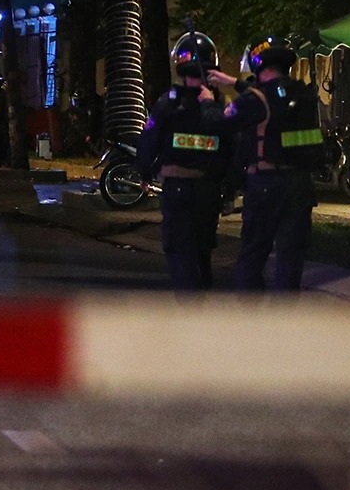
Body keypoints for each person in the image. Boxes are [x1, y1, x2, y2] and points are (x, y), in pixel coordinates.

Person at [209, 38, 323, 294]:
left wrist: (208, 101)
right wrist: (234, 83)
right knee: (291, 257)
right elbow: (271, 98)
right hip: (300, 186)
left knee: (253, 253)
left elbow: (221, 122)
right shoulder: (303, 94)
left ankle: (252, 312)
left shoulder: (256, 99)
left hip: (266, 185)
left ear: (259, 66)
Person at [138, 31, 236, 292]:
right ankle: (201, 291)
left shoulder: (168, 103)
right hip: (208, 190)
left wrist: (144, 171)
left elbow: (149, 137)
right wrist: (230, 190)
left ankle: (190, 301)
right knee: (203, 248)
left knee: (179, 248)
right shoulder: (219, 107)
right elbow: (233, 149)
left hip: (178, 188)